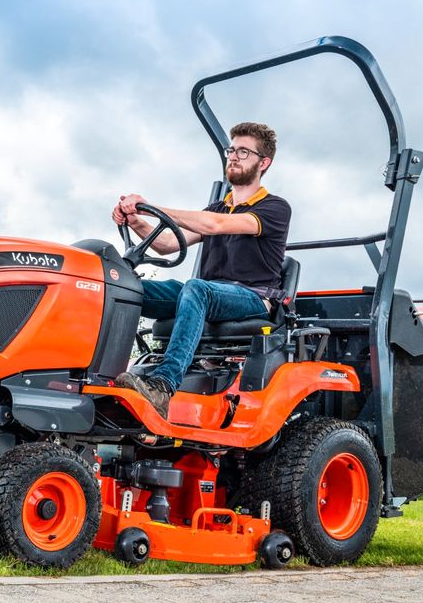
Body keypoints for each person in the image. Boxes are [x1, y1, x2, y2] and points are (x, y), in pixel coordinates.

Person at [111, 122, 291, 418]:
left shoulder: (274, 208)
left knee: (196, 287)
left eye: (244, 152)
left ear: (264, 162)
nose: (233, 156)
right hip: (209, 295)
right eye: (231, 149)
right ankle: (96, 373)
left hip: (252, 299)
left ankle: (163, 386)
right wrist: (136, 222)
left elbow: (213, 226)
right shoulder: (219, 207)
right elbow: (167, 244)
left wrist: (150, 205)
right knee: (122, 285)